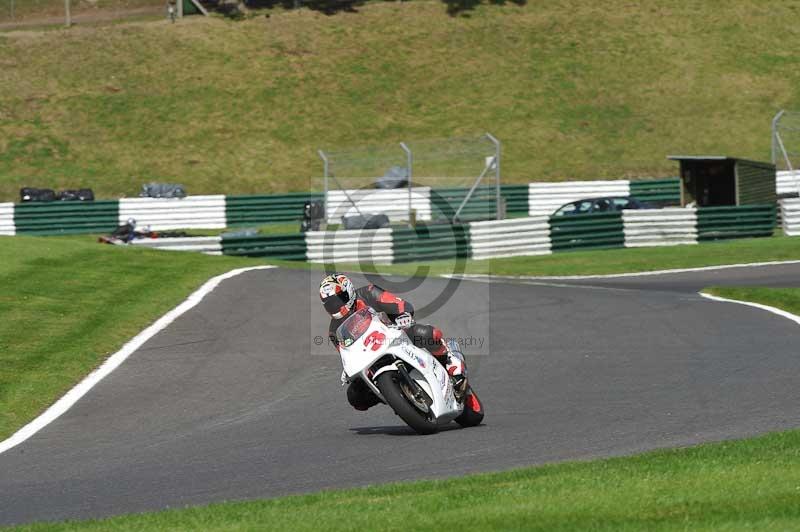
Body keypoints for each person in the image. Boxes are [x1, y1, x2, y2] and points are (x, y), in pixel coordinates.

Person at [319, 273, 467, 412]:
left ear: (348, 292)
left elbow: (399, 304)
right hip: (370, 355)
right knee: (355, 396)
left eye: (336, 301)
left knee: (427, 334)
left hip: (396, 334)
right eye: (329, 304)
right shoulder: (334, 330)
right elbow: (346, 353)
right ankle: (395, 395)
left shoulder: (369, 293)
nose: (334, 307)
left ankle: (450, 363)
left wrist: (403, 315)